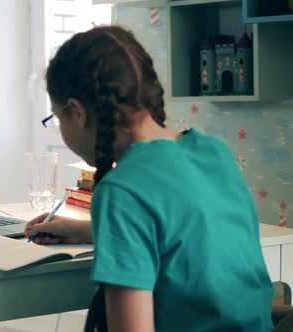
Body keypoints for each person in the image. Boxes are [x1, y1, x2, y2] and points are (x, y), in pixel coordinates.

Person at [24, 26, 273, 331]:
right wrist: (85, 230)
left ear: (77, 112)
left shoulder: (122, 189)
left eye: (56, 119)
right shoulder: (213, 152)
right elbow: (179, 233)